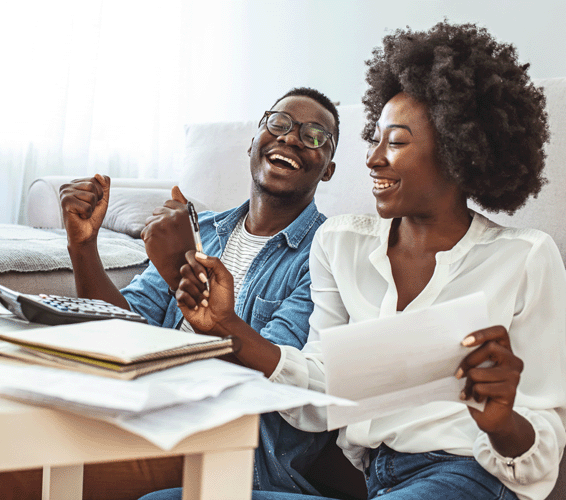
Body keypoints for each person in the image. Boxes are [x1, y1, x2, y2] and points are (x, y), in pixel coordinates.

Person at [144, 21, 566, 500]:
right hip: (374, 483)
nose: (373, 159)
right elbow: (321, 397)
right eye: (376, 139)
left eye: (397, 142)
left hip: (470, 476)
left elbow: (541, 454)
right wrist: (225, 326)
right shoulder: (340, 244)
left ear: (457, 152)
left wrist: (501, 421)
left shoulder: (525, 256)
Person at [0, 86, 341, 500]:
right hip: (138, 408)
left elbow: (269, 377)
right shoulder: (207, 229)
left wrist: (175, 269)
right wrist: (83, 246)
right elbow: (121, 323)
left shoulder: (324, 253)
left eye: (315, 135)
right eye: (279, 124)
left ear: (329, 170)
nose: (292, 138)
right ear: (254, 141)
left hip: (222, 444)